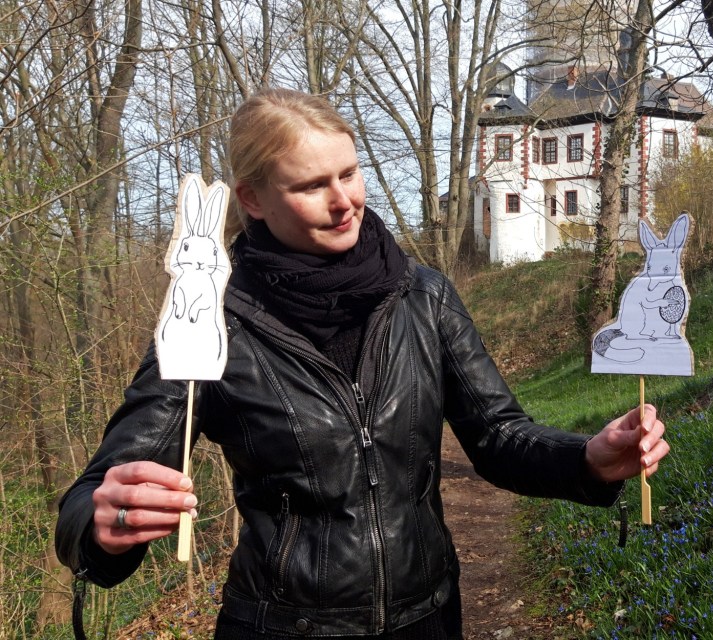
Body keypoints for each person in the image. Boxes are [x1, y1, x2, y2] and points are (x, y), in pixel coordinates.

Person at [56, 88, 670, 639]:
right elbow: (92, 495)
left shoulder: (423, 297)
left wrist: (586, 459)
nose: (343, 201)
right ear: (254, 199)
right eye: (310, 185)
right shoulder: (211, 323)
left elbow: (499, 436)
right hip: (283, 626)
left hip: (427, 618)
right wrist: (101, 522)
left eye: (350, 173)